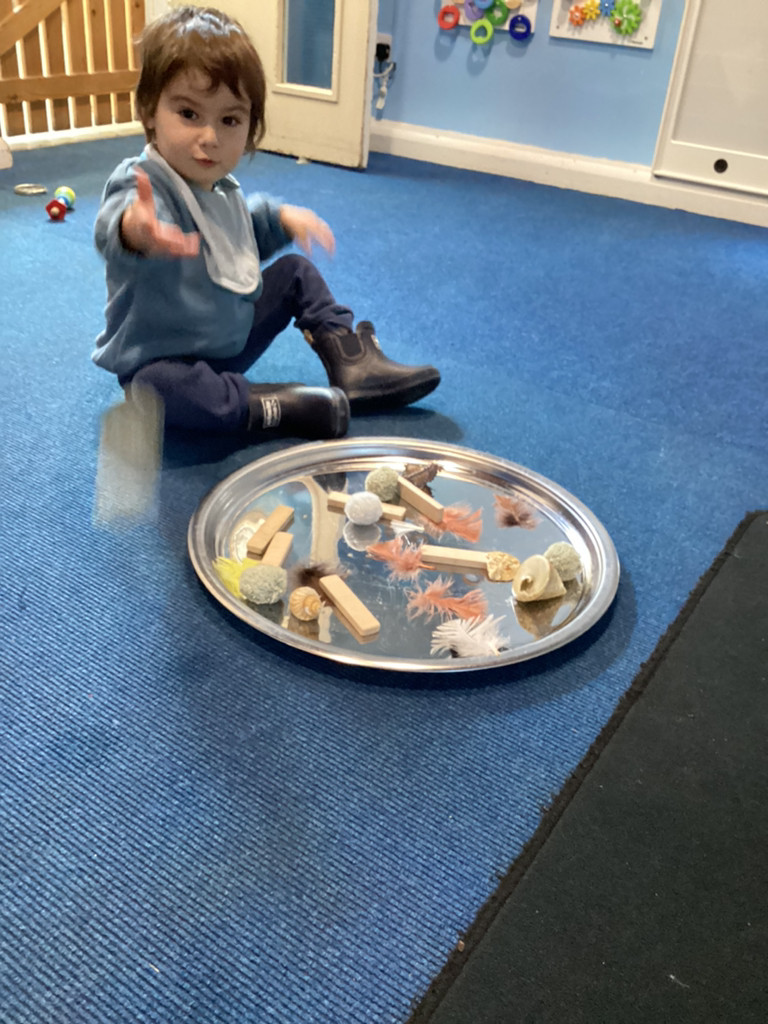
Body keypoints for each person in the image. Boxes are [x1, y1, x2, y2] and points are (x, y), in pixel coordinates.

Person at [92, 5, 440, 442]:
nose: (210, 137)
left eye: (230, 120)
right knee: (152, 391)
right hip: (165, 360)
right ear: (149, 110)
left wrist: (281, 219)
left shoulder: (220, 188)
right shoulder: (144, 182)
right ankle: (274, 405)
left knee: (296, 272)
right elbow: (113, 225)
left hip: (228, 341)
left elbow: (241, 235)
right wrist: (135, 232)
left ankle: (353, 365)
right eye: (189, 114)